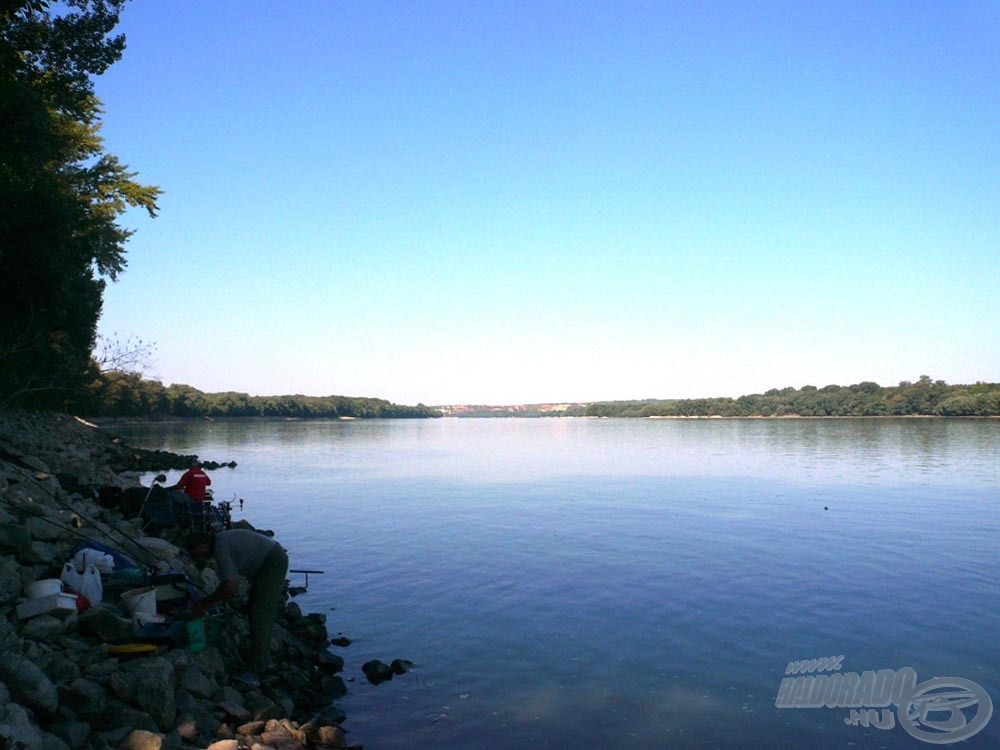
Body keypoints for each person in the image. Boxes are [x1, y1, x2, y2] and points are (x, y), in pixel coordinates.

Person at [187, 529, 289, 684]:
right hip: (265, 560)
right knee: (253, 609)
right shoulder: (220, 541)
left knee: (260, 615)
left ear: (204, 545)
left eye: (197, 552)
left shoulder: (221, 547)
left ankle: (256, 671)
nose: (199, 557)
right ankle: (264, 659)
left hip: (273, 561)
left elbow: (230, 586)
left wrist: (205, 603)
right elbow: (228, 582)